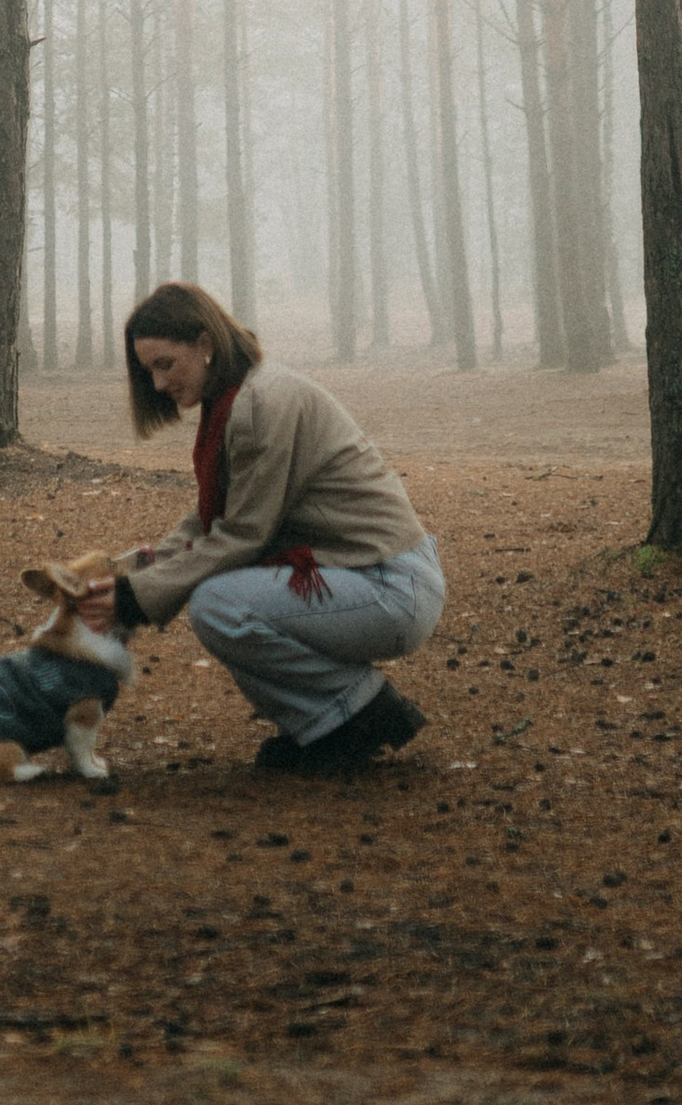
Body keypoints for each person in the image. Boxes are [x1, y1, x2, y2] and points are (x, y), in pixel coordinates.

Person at [74, 279, 445, 774]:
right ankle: (336, 722)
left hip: (389, 585)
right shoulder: (238, 397)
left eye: (165, 364)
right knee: (222, 599)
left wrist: (134, 597)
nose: (159, 384)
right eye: (150, 371)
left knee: (220, 605)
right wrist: (148, 568)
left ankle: (353, 715)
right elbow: (216, 517)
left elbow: (244, 532)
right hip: (369, 576)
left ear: (204, 344)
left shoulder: (261, 404)